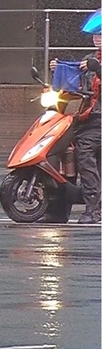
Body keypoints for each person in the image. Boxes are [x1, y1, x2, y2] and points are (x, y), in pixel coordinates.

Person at [50, 33, 101, 224]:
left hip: (98, 121)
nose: (97, 38)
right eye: (96, 34)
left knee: (85, 156)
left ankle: (93, 210)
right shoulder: (90, 59)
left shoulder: (94, 62)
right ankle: (59, 210)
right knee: (65, 152)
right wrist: (58, 69)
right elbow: (76, 78)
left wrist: (98, 69)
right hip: (85, 117)